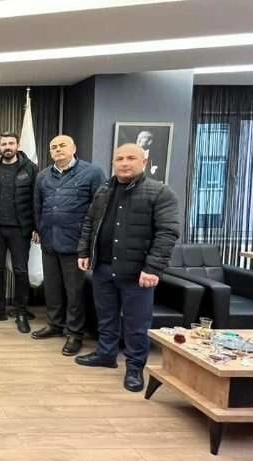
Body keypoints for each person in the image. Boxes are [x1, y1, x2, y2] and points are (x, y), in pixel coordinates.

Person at [75, 143, 179, 392]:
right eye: (119, 158)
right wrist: (84, 251)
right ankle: (106, 354)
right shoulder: (104, 190)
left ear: (144, 162)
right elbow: (90, 222)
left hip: (137, 273)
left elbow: (167, 233)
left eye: (131, 158)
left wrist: (153, 268)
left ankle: (134, 368)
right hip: (103, 268)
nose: (124, 163)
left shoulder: (160, 192)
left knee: (136, 324)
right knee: (106, 317)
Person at [32, 135, 105, 356]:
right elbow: (38, 206)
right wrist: (39, 229)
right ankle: (55, 324)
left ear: (74, 148)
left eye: (62, 145)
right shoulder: (43, 176)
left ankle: (74, 333)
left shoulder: (92, 173)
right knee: (52, 289)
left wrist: (89, 242)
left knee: (75, 292)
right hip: (49, 241)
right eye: (53, 147)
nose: (57, 149)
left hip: (75, 244)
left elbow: (99, 208)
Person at [0, 132, 38, 332]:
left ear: (17, 145)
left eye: (11, 143)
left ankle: (21, 312)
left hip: (21, 229)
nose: (7, 147)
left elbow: (36, 199)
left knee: (21, 272)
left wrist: (36, 226)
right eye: (3, 144)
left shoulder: (30, 168)